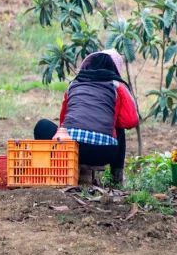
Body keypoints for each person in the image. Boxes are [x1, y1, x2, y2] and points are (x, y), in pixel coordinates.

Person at [33, 51, 138, 183]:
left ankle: (60, 172)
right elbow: (131, 121)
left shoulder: (74, 84)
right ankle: (116, 178)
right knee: (118, 129)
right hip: (103, 153)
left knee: (42, 125)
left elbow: (63, 122)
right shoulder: (117, 86)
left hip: (69, 150)